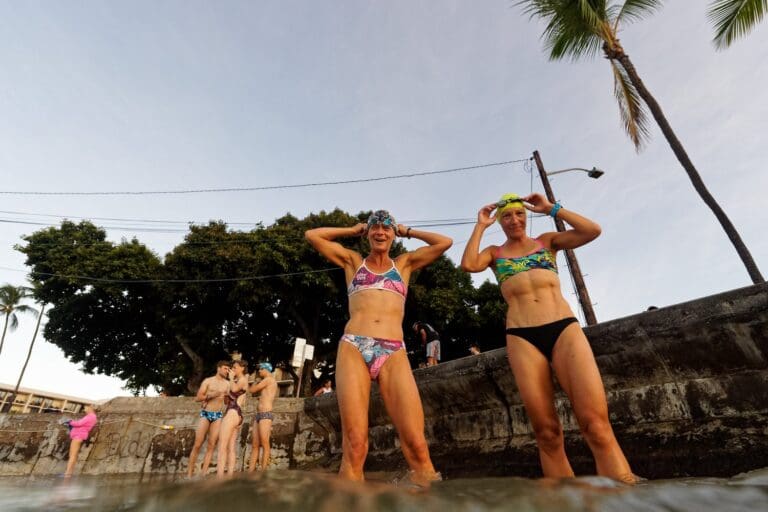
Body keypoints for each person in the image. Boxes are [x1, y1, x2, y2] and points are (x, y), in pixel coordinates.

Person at [461, 193, 635, 483]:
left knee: (596, 424)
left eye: (519, 214)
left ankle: (622, 495)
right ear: (501, 221)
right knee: (546, 433)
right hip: (521, 336)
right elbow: (468, 264)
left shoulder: (547, 242)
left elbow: (591, 230)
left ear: (525, 216)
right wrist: (480, 225)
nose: (514, 220)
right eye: (507, 216)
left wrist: (552, 209)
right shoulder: (495, 253)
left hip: (563, 328)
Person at [305, 210, 451, 485]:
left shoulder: (404, 264)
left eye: (386, 228)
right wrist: (352, 230)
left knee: (417, 443)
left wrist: (408, 231)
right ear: (368, 233)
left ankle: (428, 496)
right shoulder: (353, 262)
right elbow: (312, 235)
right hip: (354, 346)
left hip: (393, 350)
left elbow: (444, 243)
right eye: (375, 228)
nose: (380, 232)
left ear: (393, 235)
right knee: (356, 444)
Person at [188, 360, 231, 477]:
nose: (227, 371)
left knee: (212, 445)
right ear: (218, 368)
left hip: (218, 415)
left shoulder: (228, 384)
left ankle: (203, 474)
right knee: (197, 444)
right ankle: (189, 475)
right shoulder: (208, 381)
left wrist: (227, 398)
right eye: (225, 368)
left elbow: (226, 402)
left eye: (228, 369)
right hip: (206, 414)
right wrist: (211, 395)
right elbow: (198, 398)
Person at [216, 359, 248, 478]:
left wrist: (230, 378)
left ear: (242, 368)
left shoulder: (243, 379)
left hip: (233, 413)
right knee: (230, 447)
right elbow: (227, 400)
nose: (232, 370)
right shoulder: (236, 381)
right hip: (236, 413)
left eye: (235, 367)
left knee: (222, 446)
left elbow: (234, 390)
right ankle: (229, 477)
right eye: (232, 368)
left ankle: (219, 478)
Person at [248, 362, 278, 472]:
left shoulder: (268, 380)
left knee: (265, 443)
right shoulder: (266, 381)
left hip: (265, 414)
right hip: (259, 415)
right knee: (255, 445)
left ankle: (263, 472)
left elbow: (252, 390)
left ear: (266, 369)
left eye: (260, 369)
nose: (259, 371)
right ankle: (251, 472)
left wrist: (254, 381)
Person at [64, 404, 98, 477]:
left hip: (78, 436)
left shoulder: (90, 416)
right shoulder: (92, 416)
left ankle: (67, 474)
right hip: (79, 436)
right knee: (74, 455)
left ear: (90, 408)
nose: (84, 409)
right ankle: (69, 473)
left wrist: (68, 421)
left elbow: (78, 424)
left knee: (72, 455)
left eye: (85, 407)